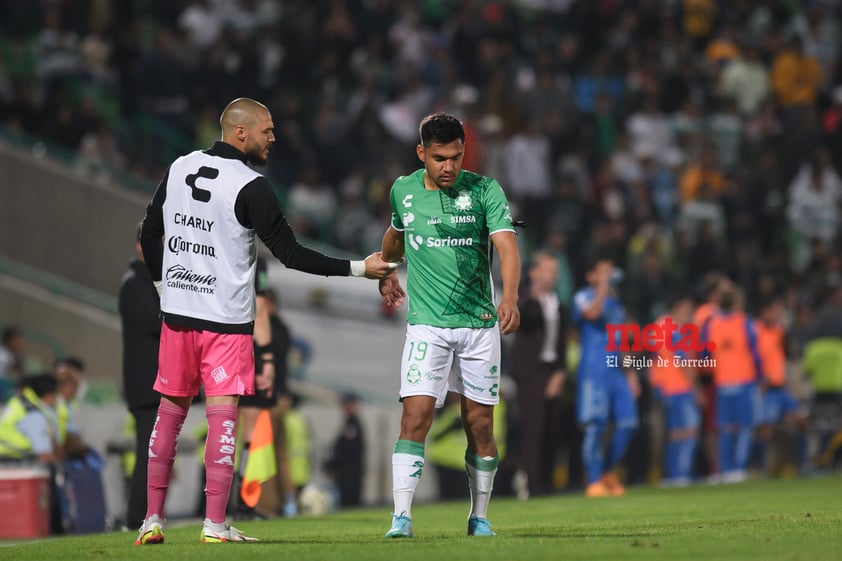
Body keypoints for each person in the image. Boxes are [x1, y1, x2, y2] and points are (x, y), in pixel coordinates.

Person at [135, 97, 397, 546]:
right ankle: (214, 526)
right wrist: (358, 269)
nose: (273, 138)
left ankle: (151, 521)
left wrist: (164, 289)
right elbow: (291, 255)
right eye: (267, 130)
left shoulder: (181, 166)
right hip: (226, 324)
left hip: (178, 318)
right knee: (222, 421)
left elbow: (147, 232)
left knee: (169, 417)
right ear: (241, 133)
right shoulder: (251, 185)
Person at [377, 112, 522, 538]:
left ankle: (479, 516)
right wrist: (386, 270)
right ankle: (401, 517)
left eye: (456, 157)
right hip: (428, 326)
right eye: (440, 158)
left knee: (479, 424)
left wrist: (509, 295)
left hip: (478, 325)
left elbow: (507, 247)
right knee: (415, 416)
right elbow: (394, 235)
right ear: (422, 153)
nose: (449, 167)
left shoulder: (483, 190)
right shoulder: (403, 191)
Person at [572, 256, 639, 498]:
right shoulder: (583, 297)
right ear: (591, 276)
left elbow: (622, 341)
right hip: (593, 371)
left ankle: (607, 471)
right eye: (603, 272)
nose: (609, 276)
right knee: (595, 426)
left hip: (616, 373)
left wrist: (631, 374)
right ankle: (593, 481)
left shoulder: (616, 304)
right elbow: (591, 315)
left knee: (629, 423)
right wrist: (602, 287)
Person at [507, 251, 567, 496]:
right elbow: (521, 320)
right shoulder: (523, 301)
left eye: (554, 271)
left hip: (550, 369)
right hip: (529, 371)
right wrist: (530, 297)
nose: (552, 276)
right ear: (534, 272)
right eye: (547, 270)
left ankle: (547, 480)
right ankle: (534, 484)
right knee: (534, 427)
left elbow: (561, 342)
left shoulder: (558, 304)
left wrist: (560, 372)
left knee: (552, 427)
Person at [118, 221, 163, 530]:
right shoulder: (135, 282)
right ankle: (138, 518)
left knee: (155, 451)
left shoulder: (150, 280)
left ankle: (149, 515)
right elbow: (156, 320)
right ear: (139, 245)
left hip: (155, 382)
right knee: (148, 452)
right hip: (145, 384)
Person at [702, 286, 762, 483]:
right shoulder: (746, 323)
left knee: (726, 428)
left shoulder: (711, 325)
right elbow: (755, 353)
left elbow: (705, 354)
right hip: (744, 380)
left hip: (722, 382)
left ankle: (725, 469)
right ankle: (738, 468)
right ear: (737, 303)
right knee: (744, 427)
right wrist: (759, 376)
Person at [753, 296, 809, 475]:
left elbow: (788, 351)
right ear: (765, 312)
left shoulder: (779, 330)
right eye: (775, 311)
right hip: (766, 389)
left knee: (801, 421)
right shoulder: (755, 331)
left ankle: (803, 466)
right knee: (764, 430)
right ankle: (760, 468)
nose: (778, 315)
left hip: (781, 388)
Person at [649, 295, 701, 486]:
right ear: (677, 308)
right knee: (688, 431)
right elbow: (683, 361)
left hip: (665, 388)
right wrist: (696, 389)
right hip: (678, 388)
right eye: (687, 310)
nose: (689, 315)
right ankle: (680, 474)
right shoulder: (673, 330)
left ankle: (674, 474)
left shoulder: (659, 325)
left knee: (676, 432)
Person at [325, 393, 366, 508]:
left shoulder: (353, 424)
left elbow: (348, 449)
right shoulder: (349, 423)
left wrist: (334, 463)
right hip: (345, 471)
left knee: (350, 501)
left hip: (350, 471)